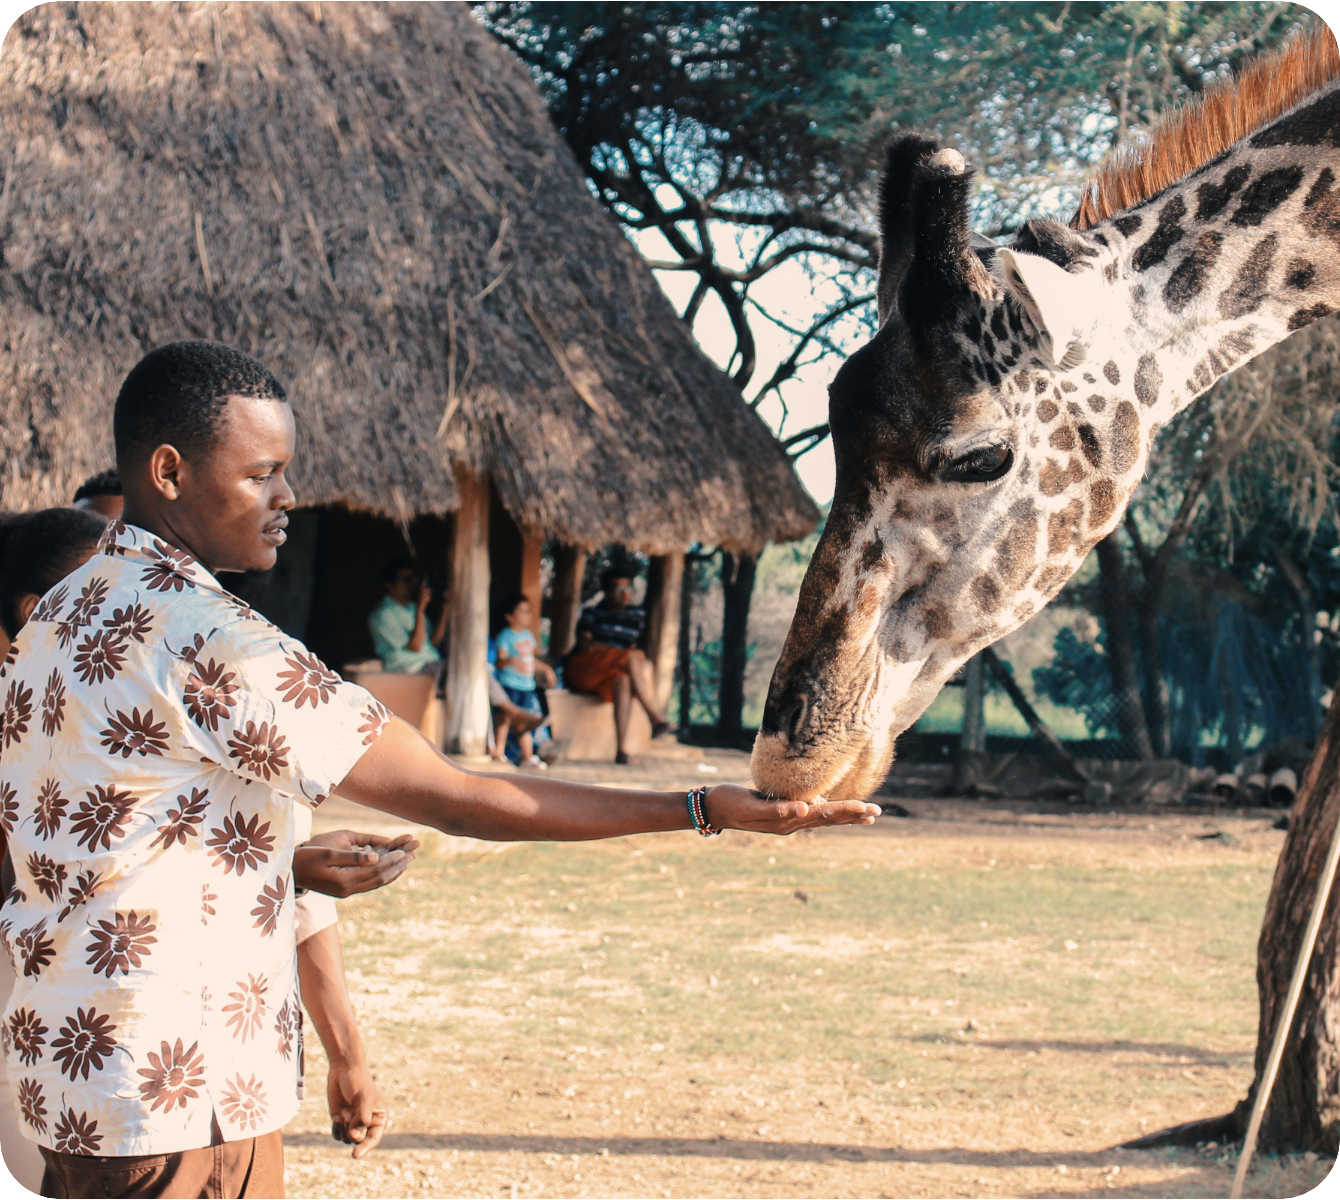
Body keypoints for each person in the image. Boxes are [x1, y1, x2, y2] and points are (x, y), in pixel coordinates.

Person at [0, 339, 877, 1199]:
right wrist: (699, 807)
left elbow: (106, 829)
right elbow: (462, 797)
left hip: (75, 1077)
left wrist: (284, 863)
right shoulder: (205, 637)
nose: (288, 495)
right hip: (178, 1095)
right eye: (261, 472)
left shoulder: (61, 613)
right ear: (167, 472)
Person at [0, 506, 416, 1191]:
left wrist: (348, 1051)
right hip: (130, 1090)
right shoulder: (67, 690)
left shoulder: (204, 678)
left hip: (187, 1090)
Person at [565, 568, 672, 763]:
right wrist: (617, 652)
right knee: (630, 656)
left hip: (611, 672)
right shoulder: (593, 613)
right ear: (606, 592)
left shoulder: (637, 615)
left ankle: (621, 750)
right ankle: (654, 716)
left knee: (623, 681)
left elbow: (637, 648)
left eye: (627, 588)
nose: (624, 593)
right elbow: (584, 644)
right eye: (618, 588)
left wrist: (627, 654)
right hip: (585, 670)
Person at [492, 593, 556, 769]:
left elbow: (530, 660)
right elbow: (500, 661)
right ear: (509, 616)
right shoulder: (505, 636)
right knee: (505, 718)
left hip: (527, 686)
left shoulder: (528, 636)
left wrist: (546, 669)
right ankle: (499, 751)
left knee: (524, 722)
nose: (528, 614)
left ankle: (527, 757)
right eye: (522, 611)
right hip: (510, 685)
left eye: (529, 611)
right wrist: (512, 661)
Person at [368, 557, 448, 676]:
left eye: (414, 579)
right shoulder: (383, 614)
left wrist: (446, 609)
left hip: (431, 664)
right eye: (407, 580)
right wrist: (420, 610)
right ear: (389, 585)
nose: (412, 584)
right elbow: (415, 646)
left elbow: (433, 643)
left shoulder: (411, 608)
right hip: (411, 670)